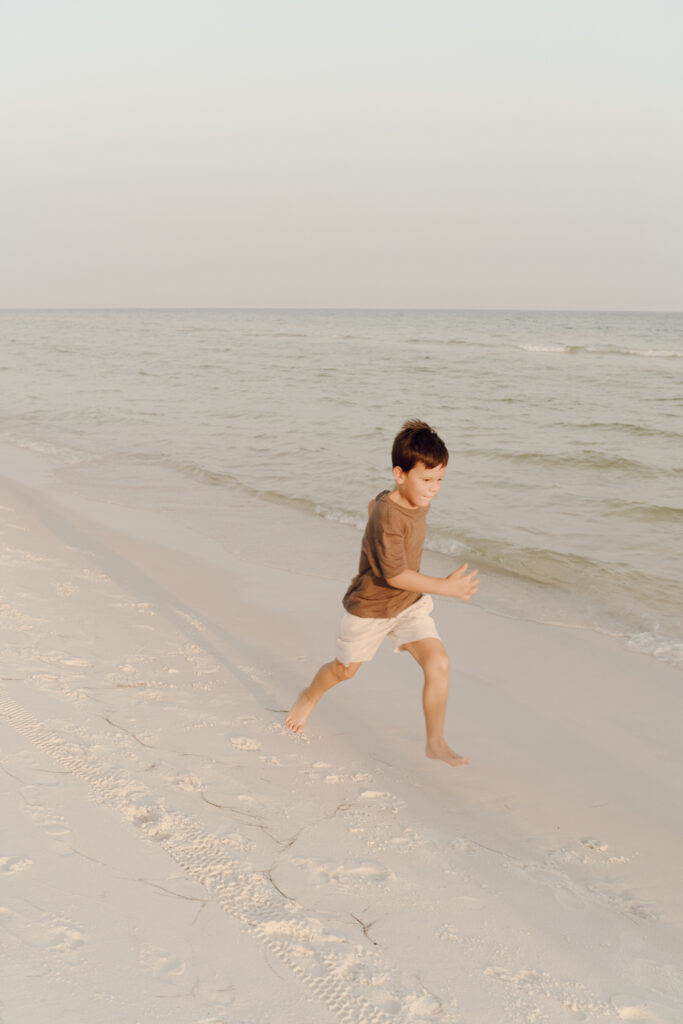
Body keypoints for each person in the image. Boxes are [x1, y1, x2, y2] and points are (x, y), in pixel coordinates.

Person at [285, 419, 478, 766]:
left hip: (408, 605)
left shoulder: (411, 500)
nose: (434, 489)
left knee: (439, 662)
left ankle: (435, 741)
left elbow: (373, 503)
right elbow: (394, 573)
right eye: (427, 479)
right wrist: (445, 587)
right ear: (400, 474)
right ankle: (309, 696)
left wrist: (374, 519)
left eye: (439, 481)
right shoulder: (390, 515)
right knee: (345, 671)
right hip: (370, 607)